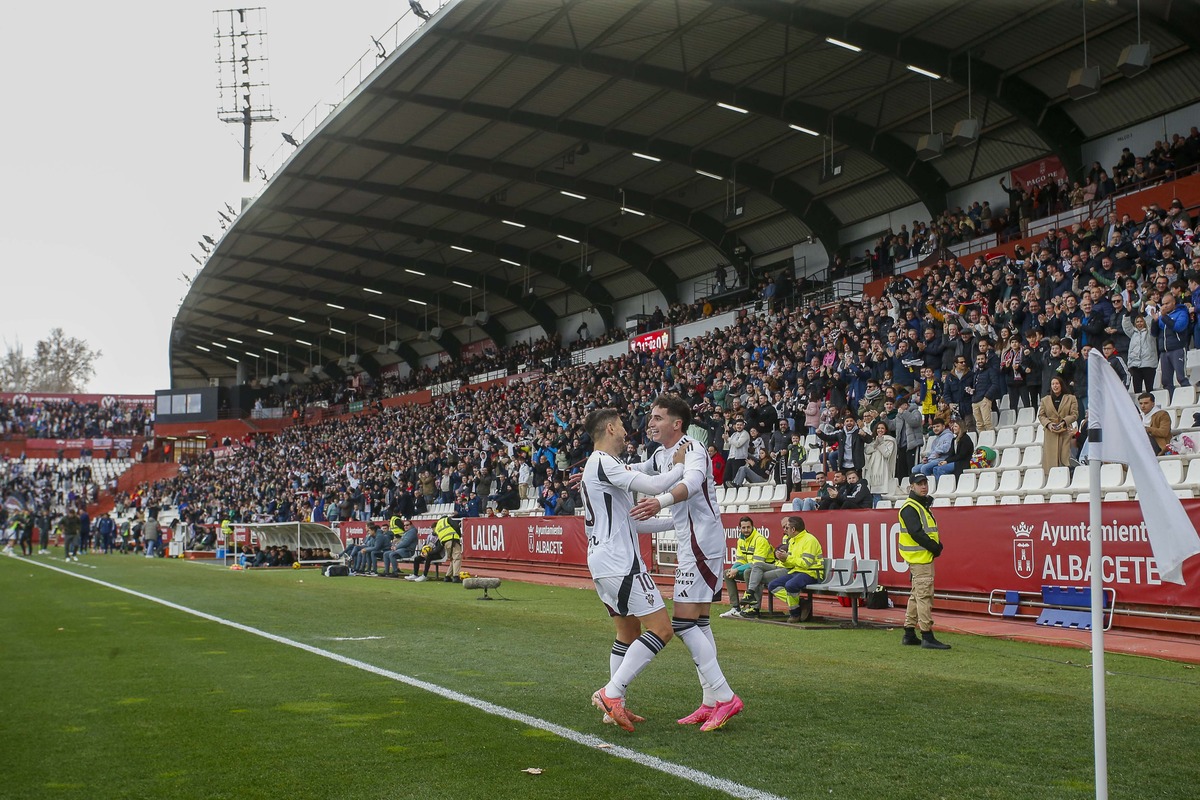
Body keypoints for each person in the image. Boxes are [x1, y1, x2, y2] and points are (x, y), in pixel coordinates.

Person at [631, 394, 743, 732]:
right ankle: (710, 702)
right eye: (651, 417)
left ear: (676, 423)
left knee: (682, 624)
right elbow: (636, 471)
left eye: (658, 417)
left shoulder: (693, 449)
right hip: (691, 543)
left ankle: (726, 698)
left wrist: (658, 501)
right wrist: (599, 470)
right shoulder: (661, 454)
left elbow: (691, 485)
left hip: (701, 545)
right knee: (701, 624)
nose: (651, 423)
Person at [580, 407, 686, 732]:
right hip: (619, 562)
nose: (627, 433)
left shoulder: (599, 468)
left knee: (627, 633)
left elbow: (636, 522)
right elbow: (656, 487)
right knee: (663, 629)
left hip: (604, 561)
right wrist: (681, 465)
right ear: (611, 428)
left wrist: (677, 523)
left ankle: (614, 705)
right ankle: (611, 694)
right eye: (623, 426)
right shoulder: (603, 462)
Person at [897, 474, 950, 649]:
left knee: (916, 596)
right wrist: (935, 547)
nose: (924, 486)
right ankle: (927, 635)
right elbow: (917, 533)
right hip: (921, 558)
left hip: (920, 558)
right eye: (919, 484)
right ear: (911, 486)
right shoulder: (912, 507)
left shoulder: (918, 506)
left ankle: (909, 632)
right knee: (924, 596)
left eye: (925, 483)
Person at [761, 516, 824, 622]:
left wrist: (788, 558)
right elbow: (791, 563)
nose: (785, 530)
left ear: (793, 529)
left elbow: (806, 564)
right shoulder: (793, 541)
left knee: (790, 585)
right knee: (773, 585)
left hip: (812, 573)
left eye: (787, 528)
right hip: (797, 571)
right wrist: (783, 559)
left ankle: (795, 614)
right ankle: (800, 603)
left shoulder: (809, 540)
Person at [719, 516, 779, 619]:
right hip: (754, 568)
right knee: (727, 573)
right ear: (740, 528)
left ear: (752, 527)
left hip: (768, 569)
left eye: (748, 527)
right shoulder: (741, 540)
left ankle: (753, 607)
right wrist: (733, 569)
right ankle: (735, 608)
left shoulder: (760, 540)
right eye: (743, 528)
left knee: (748, 572)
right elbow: (741, 560)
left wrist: (737, 570)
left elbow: (757, 564)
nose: (746, 530)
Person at [1039, 377, 1078, 470]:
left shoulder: (1071, 398)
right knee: (1051, 463)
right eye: (1053, 384)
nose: (1055, 386)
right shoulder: (1045, 400)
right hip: (1050, 432)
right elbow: (1041, 415)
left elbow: (1075, 414)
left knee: (1065, 459)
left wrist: (1064, 422)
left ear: (1061, 385)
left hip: (1065, 432)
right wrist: (1048, 424)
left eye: (1057, 383)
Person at [863, 420, 896, 505]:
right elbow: (867, 451)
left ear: (886, 430)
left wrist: (880, 443)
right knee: (871, 493)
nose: (880, 430)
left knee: (878, 492)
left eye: (882, 428)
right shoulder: (873, 440)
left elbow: (887, 454)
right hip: (872, 468)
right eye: (878, 428)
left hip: (882, 468)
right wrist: (875, 444)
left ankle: (878, 510)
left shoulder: (890, 440)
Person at [1138, 392, 1172, 456]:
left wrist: (1147, 429)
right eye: (1141, 403)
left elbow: (1164, 432)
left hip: (1158, 445)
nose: (1143, 406)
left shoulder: (1162, 414)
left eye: (1146, 403)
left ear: (1153, 404)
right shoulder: (1139, 417)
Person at [433, 516, 464, 582]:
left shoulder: (438, 525)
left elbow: (435, 534)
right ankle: (456, 576)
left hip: (444, 542)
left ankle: (447, 576)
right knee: (457, 557)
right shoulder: (447, 519)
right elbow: (456, 526)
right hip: (452, 539)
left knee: (453, 559)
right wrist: (459, 536)